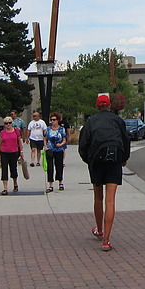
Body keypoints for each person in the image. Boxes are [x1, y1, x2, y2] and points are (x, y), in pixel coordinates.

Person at [79, 93, 130, 251]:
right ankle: (106, 240)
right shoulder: (117, 120)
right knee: (110, 200)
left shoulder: (91, 121)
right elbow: (125, 140)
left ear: (97, 106)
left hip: (96, 159)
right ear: (109, 105)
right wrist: (124, 158)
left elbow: (83, 145)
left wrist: (89, 160)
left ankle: (99, 230)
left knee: (98, 196)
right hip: (114, 158)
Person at [0, 116, 24, 195]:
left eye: (9, 123)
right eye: (6, 123)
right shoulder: (3, 132)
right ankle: (5, 188)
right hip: (4, 152)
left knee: (13, 168)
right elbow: (0, 143)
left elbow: (19, 141)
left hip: (14, 152)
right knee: (4, 169)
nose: (8, 124)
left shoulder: (16, 131)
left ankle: (15, 183)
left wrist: (21, 152)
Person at [44, 112, 67, 193]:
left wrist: (61, 144)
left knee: (59, 166)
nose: (52, 121)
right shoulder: (48, 129)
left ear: (58, 120)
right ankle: (51, 184)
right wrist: (45, 146)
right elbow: (45, 138)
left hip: (59, 149)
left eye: (54, 120)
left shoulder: (61, 129)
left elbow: (64, 139)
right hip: (50, 149)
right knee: (50, 167)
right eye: (51, 120)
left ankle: (60, 182)